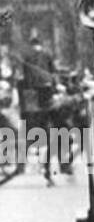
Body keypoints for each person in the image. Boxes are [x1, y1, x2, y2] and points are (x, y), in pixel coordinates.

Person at [19, 31, 56, 184]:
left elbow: (25, 77)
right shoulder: (47, 55)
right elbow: (53, 73)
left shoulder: (27, 57)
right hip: (46, 93)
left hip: (33, 94)